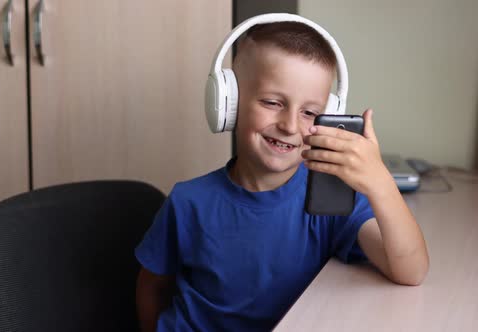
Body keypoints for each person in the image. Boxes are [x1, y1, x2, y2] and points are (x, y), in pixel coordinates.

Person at [135, 18, 429, 332]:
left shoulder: (329, 199)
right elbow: (152, 288)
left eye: (309, 112)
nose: (290, 125)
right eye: (273, 102)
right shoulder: (188, 201)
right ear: (229, 103)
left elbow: (410, 271)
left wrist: (379, 181)